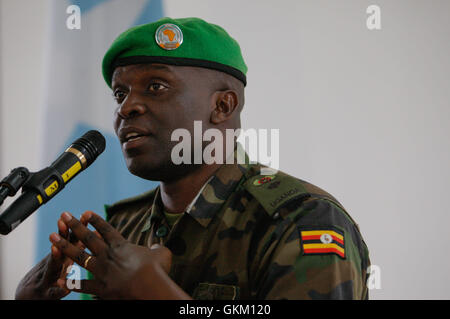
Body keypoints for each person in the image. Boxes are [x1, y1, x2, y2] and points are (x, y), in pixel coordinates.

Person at [15, 17, 370, 300]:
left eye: (156, 87)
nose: (126, 108)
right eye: (119, 94)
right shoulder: (124, 227)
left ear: (222, 106)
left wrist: (156, 294)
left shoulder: (300, 220)